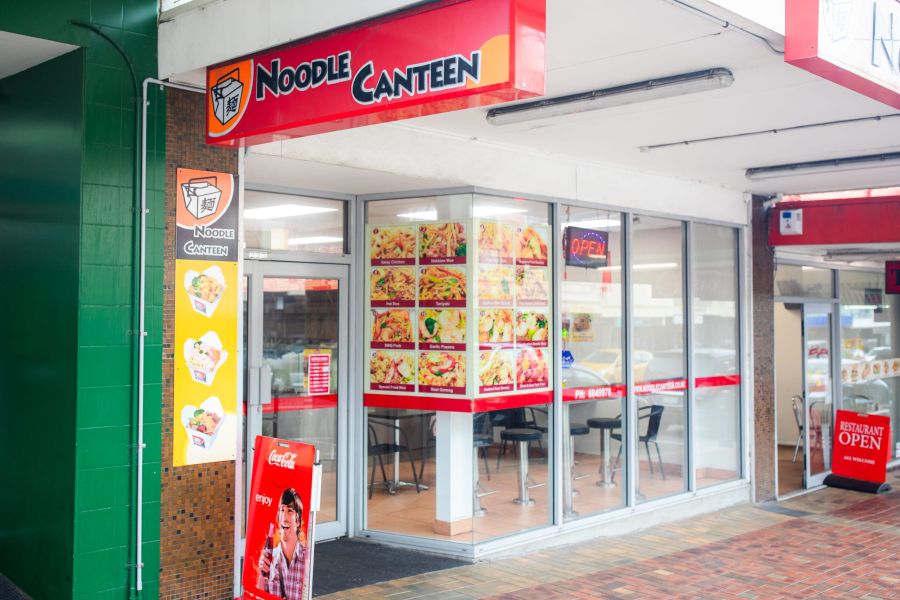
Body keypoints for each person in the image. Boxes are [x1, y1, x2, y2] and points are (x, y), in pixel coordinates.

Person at [258, 488, 306, 599]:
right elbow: (261, 596)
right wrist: (262, 575)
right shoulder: (271, 558)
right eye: (282, 510)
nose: (284, 517)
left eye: (290, 511)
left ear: (298, 520)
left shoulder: (306, 559)